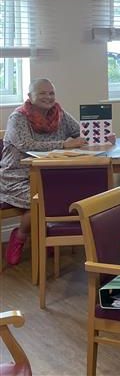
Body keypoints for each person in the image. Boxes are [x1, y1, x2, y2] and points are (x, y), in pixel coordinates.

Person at [0, 79, 100, 266]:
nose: (48, 97)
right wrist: (63, 144)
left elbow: (80, 131)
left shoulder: (59, 114)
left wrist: (100, 135)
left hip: (49, 176)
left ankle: (45, 235)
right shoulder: (18, 118)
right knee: (41, 200)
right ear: (30, 97)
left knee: (72, 193)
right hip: (16, 177)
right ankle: (20, 236)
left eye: (51, 93)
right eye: (42, 93)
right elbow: (26, 144)